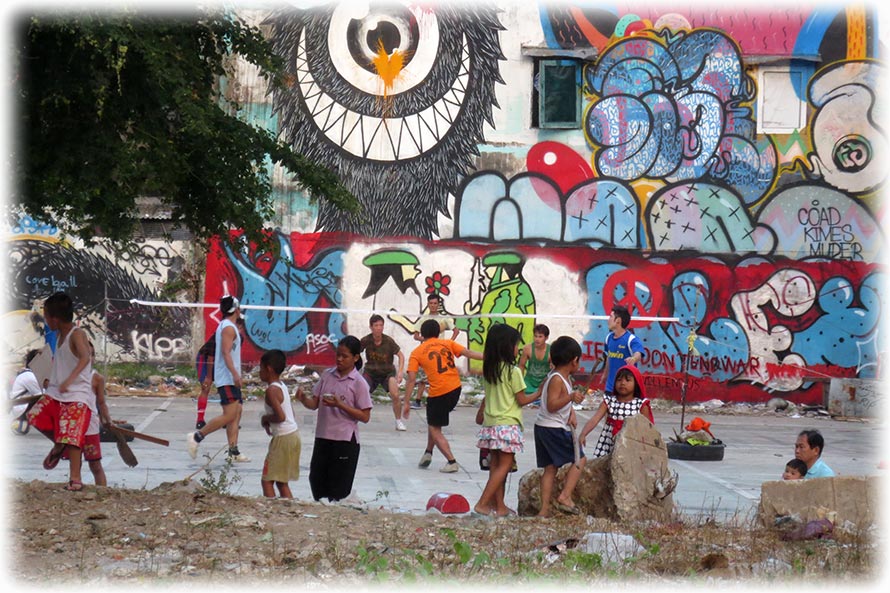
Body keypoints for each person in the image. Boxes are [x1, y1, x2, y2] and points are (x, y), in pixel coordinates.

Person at [26, 292, 94, 491]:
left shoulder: (77, 334)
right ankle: (58, 443)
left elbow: (84, 358)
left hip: (77, 394)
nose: (45, 320)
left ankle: (75, 478)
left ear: (54, 318)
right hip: (56, 392)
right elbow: (63, 362)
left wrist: (70, 380)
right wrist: (52, 380)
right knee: (35, 415)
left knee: (73, 438)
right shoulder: (58, 335)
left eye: (46, 316)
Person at [296, 336, 372, 502]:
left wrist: (340, 405)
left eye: (344, 356)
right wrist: (303, 398)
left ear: (355, 358)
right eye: (338, 354)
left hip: (344, 440)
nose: (339, 359)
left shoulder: (358, 383)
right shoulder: (327, 375)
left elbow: (365, 416)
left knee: (338, 485)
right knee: (316, 479)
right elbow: (314, 403)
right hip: (323, 436)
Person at [473, 323, 538, 517]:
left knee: (496, 466)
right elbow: (522, 399)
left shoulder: (491, 369)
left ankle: (499, 506)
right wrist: (539, 392)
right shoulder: (513, 372)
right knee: (506, 465)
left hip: (491, 424)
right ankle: (482, 503)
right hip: (508, 425)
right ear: (507, 346)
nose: (518, 349)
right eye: (516, 345)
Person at [403, 319, 482, 473]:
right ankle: (428, 452)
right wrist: (491, 356)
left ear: (422, 335)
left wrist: (406, 402)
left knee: (434, 428)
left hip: (438, 392)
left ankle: (451, 461)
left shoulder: (417, 353)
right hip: (455, 388)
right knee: (434, 423)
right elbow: (469, 353)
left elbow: (411, 379)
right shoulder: (447, 343)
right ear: (438, 333)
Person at [187, 296, 249, 463]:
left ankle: (233, 451)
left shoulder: (228, 326)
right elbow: (225, 353)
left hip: (230, 377)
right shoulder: (228, 328)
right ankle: (197, 437)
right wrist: (235, 374)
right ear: (236, 309)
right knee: (229, 415)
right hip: (227, 378)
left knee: (237, 412)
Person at [533, 336, 587, 517]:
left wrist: (571, 411)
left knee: (550, 468)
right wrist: (571, 397)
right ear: (574, 361)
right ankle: (565, 496)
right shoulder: (557, 379)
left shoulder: (562, 378)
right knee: (580, 459)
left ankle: (544, 510)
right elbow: (552, 404)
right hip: (553, 428)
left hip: (543, 427)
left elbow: (561, 403)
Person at [63, 341, 113, 486]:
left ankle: (102, 492)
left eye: (90, 355)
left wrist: (107, 419)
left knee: (95, 464)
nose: (88, 358)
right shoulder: (68, 377)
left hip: (90, 426)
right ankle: (75, 488)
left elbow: (101, 402)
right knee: (75, 465)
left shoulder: (97, 378)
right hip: (73, 427)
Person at [579, 365, 654, 458]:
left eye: (627, 380)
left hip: (630, 445)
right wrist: (583, 434)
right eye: (619, 380)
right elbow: (595, 419)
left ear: (636, 384)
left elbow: (648, 429)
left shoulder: (641, 404)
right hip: (608, 444)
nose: (622, 383)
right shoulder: (609, 401)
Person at [259, 349, 301, 499]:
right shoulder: (282, 386)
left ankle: (272, 509)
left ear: (269, 369)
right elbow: (291, 414)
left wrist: (266, 419)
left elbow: (281, 416)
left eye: (261, 368)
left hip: (283, 438)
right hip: (293, 435)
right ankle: (288, 509)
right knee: (281, 481)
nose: (260, 372)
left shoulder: (271, 390)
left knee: (267, 480)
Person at [410, 294, 460, 409]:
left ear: (438, 305)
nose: (433, 306)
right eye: (431, 303)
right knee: (423, 377)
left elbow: (456, 331)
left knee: (442, 376)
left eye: (435, 303)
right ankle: (418, 400)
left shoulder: (444, 318)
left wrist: (449, 344)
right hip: (427, 352)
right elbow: (416, 335)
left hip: (440, 352)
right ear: (428, 304)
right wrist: (426, 339)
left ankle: (446, 400)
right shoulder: (423, 319)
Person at [360, 314, 407, 431]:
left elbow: (401, 356)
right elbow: (354, 353)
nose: (379, 328)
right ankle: (354, 417)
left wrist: (400, 372)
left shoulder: (388, 341)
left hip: (387, 373)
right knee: (361, 392)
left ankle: (398, 421)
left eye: (381, 325)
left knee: (395, 394)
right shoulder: (366, 340)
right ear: (371, 327)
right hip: (371, 372)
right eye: (376, 325)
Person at [591, 304, 643, 395]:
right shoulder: (608, 338)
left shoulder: (631, 339)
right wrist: (605, 375)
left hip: (625, 389)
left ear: (618, 321)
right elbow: (608, 357)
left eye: (611, 317)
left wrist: (633, 359)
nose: (608, 320)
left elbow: (638, 352)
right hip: (610, 387)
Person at [9, 349, 43, 435]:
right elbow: (42, 394)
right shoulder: (29, 376)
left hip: (20, 407)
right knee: (47, 400)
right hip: (21, 408)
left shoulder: (30, 374)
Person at [518, 324, 551, 407]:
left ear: (546, 338)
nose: (537, 339)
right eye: (535, 336)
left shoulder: (551, 351)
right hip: (529, 383)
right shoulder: (527, 349)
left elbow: (555, 369)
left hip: (543, 383)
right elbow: (521, 366)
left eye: (540, 336)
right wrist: (519, 383)